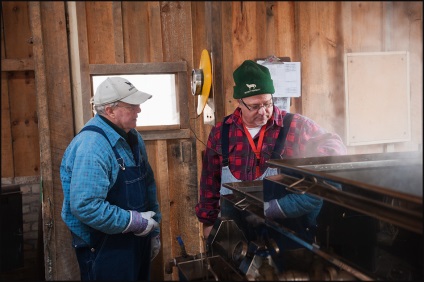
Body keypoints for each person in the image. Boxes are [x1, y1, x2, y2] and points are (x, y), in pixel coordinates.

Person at [195, 60, 347, 240]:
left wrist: (307, 167)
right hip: (237, 237)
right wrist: (208, 223)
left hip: (288, 235)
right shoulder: (221, 133)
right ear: (239, 102)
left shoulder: (295, 126)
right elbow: (209, 183)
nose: (263, 112)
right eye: (255, 106)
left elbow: (334, 144)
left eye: (267, 103)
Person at [60, 77, 161, 281]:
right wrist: (132, 221)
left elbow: (147, 183)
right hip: (103, 249)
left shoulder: (133, 137)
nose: (139, 110)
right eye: (132, 106)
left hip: (136, 240)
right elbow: (85, 206)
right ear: (110, 111)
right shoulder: (92, 146)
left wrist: (153, 231)